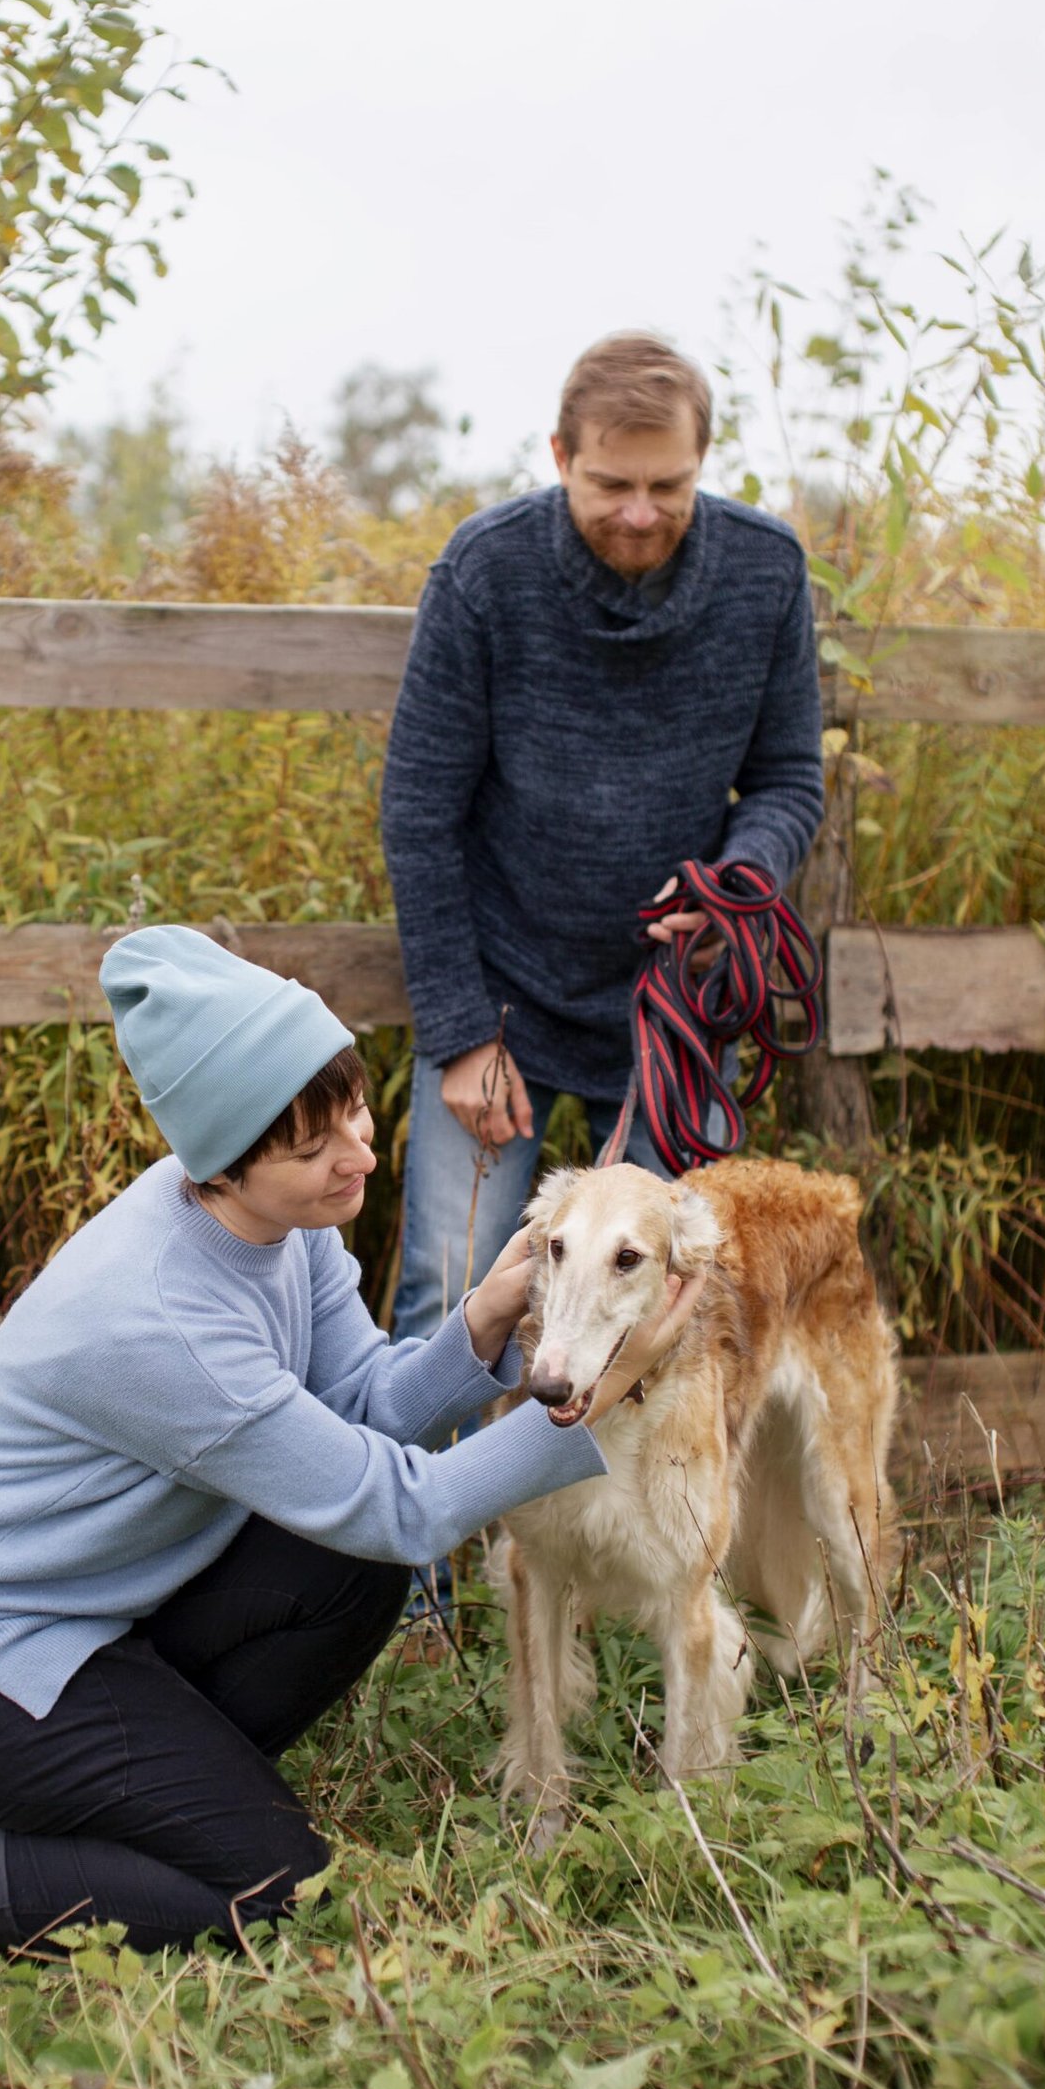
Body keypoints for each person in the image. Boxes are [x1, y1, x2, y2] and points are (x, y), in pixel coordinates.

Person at [0, 926, 701, 1979]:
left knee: (351, 1573)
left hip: (106, 1619)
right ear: (222, 1160)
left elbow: (365, 1407)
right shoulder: (166, 1321)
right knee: (269, 1884)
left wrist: (482, 1317)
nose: (360, 1153)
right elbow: (404, 1508)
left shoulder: (284, 1225)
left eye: (354, 1108)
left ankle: (150, 1801)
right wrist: (594, 1398)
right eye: (313, 1147)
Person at [381, 331, 825, 1357]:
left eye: (668, 486)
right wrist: (462, 1032)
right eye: (611, 484)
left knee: (675, 1315)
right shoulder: (486, 572)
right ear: (559, 457)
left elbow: (787, 778)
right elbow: (418, 806)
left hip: (676, 1014)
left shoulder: (765, 572)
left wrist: (738, 884)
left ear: (702, 461)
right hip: (503, 1004)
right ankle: (420, 1472)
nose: (639, 512)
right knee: (452, 1292)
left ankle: (623, 1477)